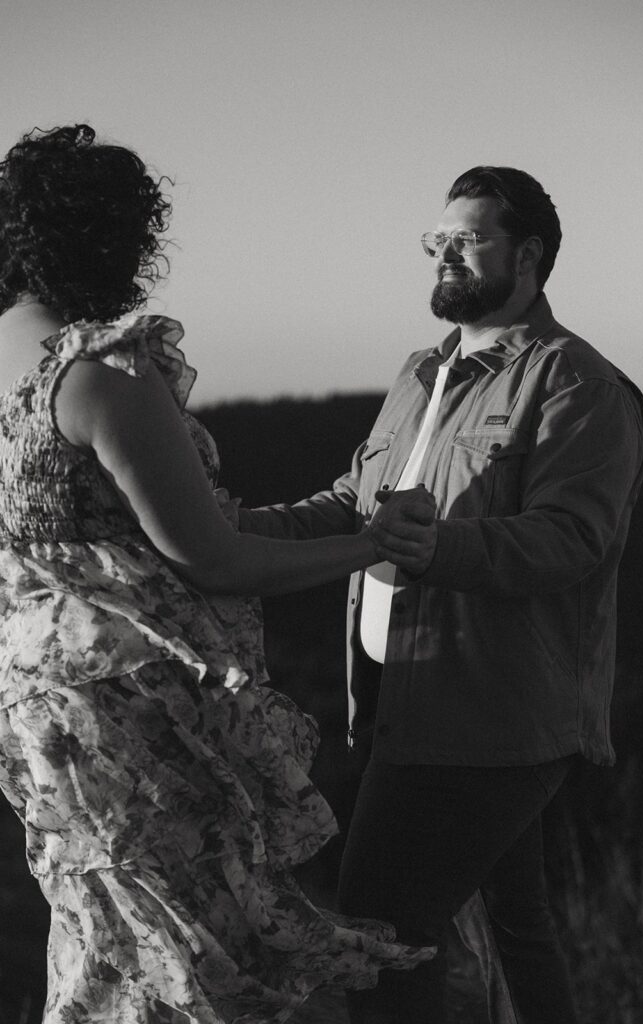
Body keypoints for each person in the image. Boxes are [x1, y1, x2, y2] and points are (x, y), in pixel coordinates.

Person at [0, 124, 437, 1024]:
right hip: (138, 708)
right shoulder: (98, 374)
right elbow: (211, 558)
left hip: (37, 705)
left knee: (107, 943)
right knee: (192, 960)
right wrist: (374, 542)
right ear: (120, 238)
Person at [237, 166, 643, 1023]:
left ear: (528, 254)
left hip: (490, 716)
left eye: (467, 239)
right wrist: (221, 528)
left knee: (379, 933)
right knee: (517, 922)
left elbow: (570, 540)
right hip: (401, 698)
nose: (444, 255)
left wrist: (438, 548)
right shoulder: (420, 374)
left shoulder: (576, 384)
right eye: (438, 241)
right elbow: (348, 506)